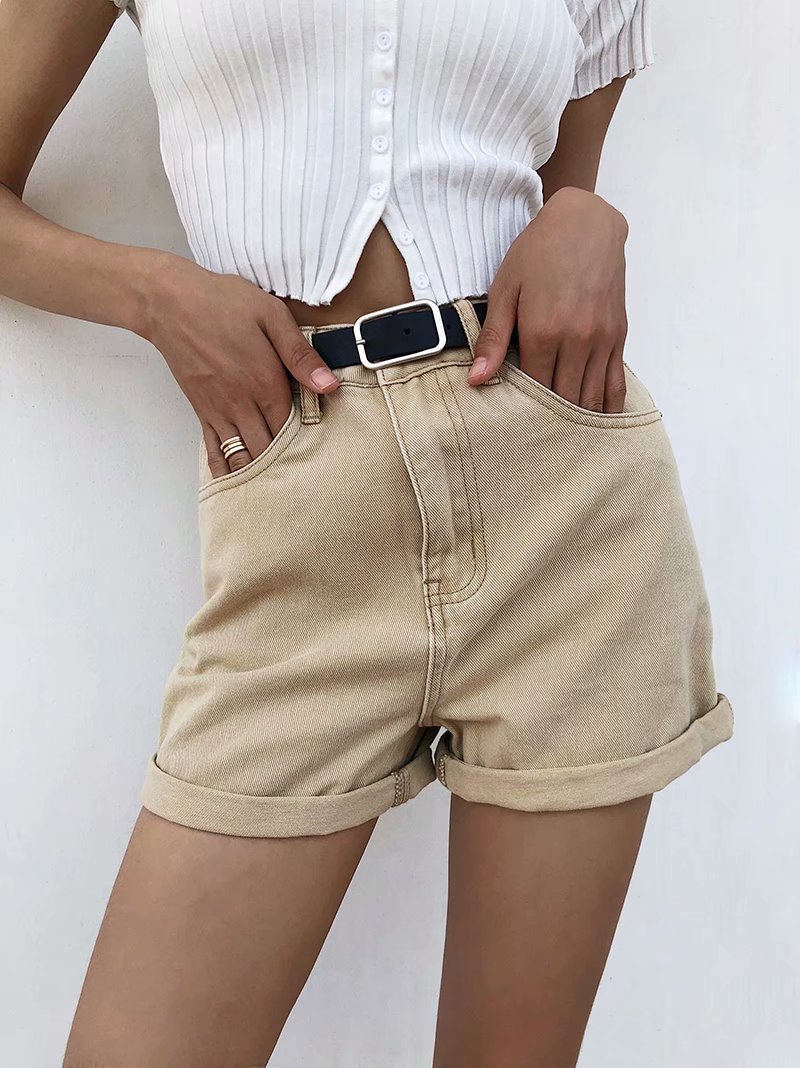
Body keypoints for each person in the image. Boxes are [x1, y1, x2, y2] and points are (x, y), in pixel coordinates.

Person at [0, 1, 733, 1064]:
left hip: (562, 502)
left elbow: (559, 195)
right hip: (304, 509)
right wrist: (158, 297)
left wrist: (589, 216)